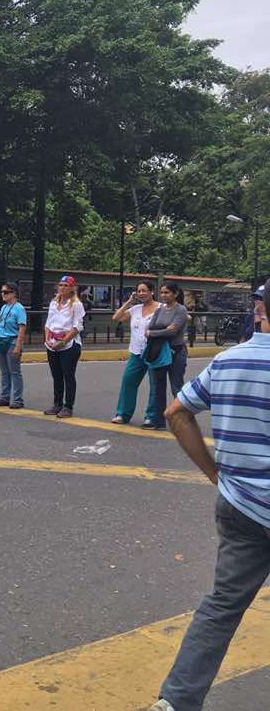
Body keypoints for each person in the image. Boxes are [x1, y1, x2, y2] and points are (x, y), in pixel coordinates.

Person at [149, 294, 270, 711]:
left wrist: (216, 475)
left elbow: (177, 412)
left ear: (263, 310)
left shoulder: (229, 360)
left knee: (221, 607)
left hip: (240, 506)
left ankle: (175, 702)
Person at [110, 280, 160, 426]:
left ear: (152, 292)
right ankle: (122, 414)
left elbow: (184, 317)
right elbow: (116, 318)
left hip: (154, 353)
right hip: (137, 352)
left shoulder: (161, 308)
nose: (141, 293)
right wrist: (129, 302)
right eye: (139, 291)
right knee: (128, 381)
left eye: (145, 290)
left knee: (155, 385)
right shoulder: (135, 309)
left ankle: (151, 416)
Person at [146, 282, 190, 431]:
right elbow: (150, 327)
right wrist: (161, 330)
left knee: (176, 388)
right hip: (160, 353)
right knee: (158, 387)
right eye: (162, 293)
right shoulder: (159, 310)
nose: (164, 296)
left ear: (175, 294)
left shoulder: (181, 310)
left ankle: (184, 422)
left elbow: (173, 332)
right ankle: (159, 421)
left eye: (167, 293)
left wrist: (155, 333)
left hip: (176, 353)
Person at [43, 274, 85, 418]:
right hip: (52, 344)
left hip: (69, 344)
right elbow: (48, 323)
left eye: (66, 285)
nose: (62, 288)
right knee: (56, 375)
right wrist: (48, 339)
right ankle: (57, 404)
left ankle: (68, 406)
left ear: (72, 288)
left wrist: (63, 342)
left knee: (68, 375)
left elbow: (77, 327)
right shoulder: (54, 303)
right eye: (61, 285)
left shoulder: (76, 305)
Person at [0, 283, 27, 409]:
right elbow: (0, 325)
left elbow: (22, 328)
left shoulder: (19, 308)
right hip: (1, 341)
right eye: (2, 292)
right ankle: (4, 397)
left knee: (15, 372)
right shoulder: (4, 307)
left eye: (6, 292)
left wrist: (18, 346)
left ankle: (18, 400)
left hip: (12, 342)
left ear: (14, 293)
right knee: (4, 372)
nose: (3, 294)